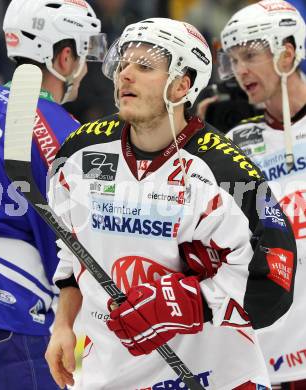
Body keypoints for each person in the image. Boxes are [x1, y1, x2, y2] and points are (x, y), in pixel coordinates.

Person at [45, 17, 297, 390]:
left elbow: (274, 282)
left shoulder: (225, 170)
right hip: (107, 375)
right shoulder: (80, 153)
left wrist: (190, 301)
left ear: (182, 85)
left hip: (213, 377)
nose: (125, 74)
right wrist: (63, 324)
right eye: (124, 63)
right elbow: (72, 253)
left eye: (144, 66)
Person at [0, 0, 106, 389]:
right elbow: (76, 254)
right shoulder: (65, 134)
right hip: (10, 323)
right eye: (83, 52)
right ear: (64, 58)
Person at [220, 1, 306, 389]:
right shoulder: (235, 144)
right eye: (234, 60)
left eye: (251, 55)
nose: (240, 70)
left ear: (287, 52)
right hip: (268, 350)